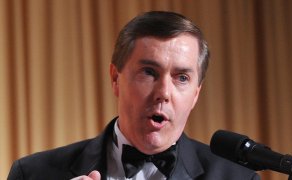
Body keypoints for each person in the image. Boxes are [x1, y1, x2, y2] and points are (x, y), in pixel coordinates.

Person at [8, 11, 260, 180]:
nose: (163, 93)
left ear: (196, 94)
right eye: (149, 72)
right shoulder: (32, 173)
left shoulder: (238, 177)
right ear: (116, 78)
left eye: (181, 78)